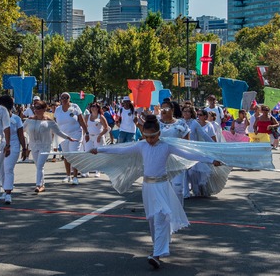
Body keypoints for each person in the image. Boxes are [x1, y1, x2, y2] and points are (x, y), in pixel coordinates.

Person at [90, 115, 222, 269]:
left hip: (162, 186)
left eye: (152, 136)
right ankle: (158, 247)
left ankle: (156, 254)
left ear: (158, 134)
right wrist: (98, 149)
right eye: (146, 136)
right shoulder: (142, 145)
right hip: (147, 188)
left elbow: (189, 154)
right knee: (153, 220)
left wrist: (211, 160)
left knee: (160, 218)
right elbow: (121, 150)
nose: (149, 140)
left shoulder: (166, 146)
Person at [24, 99, 75, 193]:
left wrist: (68, 138)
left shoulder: (49, 121)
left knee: (39, 165)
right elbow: (21, 130)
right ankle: (42, 184)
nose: (36, 109)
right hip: (34, 145)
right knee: (38, 166)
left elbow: (58, 132)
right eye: (35, 107)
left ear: (44, 109)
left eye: (38, 108)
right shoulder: (29, 120)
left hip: (45, 146)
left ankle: (38, 185)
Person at [0, 95, 26, 204]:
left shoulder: (16, 119)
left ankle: (8, 193)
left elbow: (21, 135)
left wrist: (25, 148)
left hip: (13, 145)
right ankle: (5, 189)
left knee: (8, 169)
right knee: (1, 171)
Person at [54, 92, 89, 185]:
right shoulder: (57, 110)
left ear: (69, 99)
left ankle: (75, 177)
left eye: (66, 97)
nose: (64, 99)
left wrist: (87, 133)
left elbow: (81, 120)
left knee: (74, 153)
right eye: (63, 97)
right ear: (60, 99)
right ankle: (68, 175)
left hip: (76, 133)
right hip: (63, 135)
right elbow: (54, 123)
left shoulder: (75, 107)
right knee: (66, 155)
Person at [83, 102, 110, 177]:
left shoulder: (101, 117)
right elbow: (84, 127)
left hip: (98, 137)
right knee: (87, 152)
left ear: (98, 108)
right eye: (92, 106)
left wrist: (100, 135)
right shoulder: (87, 116)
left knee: (97, 153)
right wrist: (84, 135)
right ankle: (87, 170)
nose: (93, 108)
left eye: (95, 106)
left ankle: (97, 171)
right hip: (89, 136)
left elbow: (106, 128)